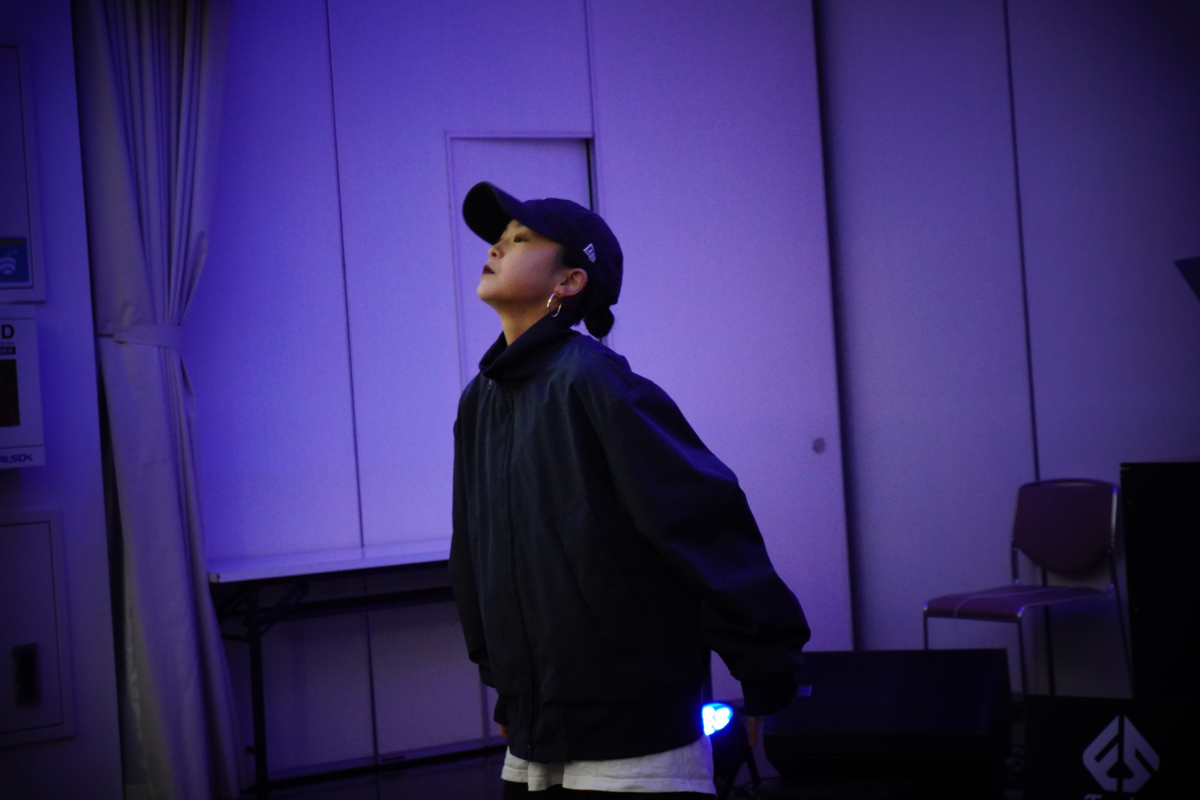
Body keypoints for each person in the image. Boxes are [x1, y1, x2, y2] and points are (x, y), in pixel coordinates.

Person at [448, 182, 810, 798]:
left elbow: (699, 520)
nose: (496, 248)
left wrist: (765, 667)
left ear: (569, 282)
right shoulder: (478, 401)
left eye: (521, 238)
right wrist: (506, 684)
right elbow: (475, 549)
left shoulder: (593, 379)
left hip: (635, 734)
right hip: (535, 733)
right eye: (498, 238)